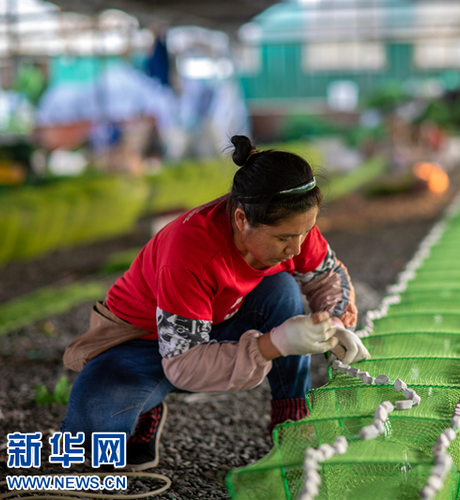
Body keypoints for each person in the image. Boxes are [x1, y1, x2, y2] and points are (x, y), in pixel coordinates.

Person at [60, 135, 370, 470]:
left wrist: (336, 322)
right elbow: (183, 362)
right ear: (241, 220)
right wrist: (273, 344)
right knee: (91, 440)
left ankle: (292, 417)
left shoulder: (292, 227)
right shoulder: (189, 252)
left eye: (304, 233)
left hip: (220, 319)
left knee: (282, 290)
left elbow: (326, 276)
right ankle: (148, 406)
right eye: (283, 238)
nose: (295, 248)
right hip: (140, 339)